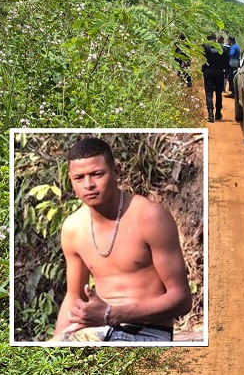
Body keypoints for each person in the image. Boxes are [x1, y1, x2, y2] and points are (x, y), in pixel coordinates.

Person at [52, 137, 192, 342]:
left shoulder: (150, 217)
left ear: (116, 171)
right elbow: (74, 298)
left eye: (97, 174)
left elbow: (181, 299)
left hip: (146, 332)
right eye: (79, 178)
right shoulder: (73, 228)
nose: (88, 184)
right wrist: (54, 346)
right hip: (95, 331)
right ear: (70, 179)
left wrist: (113, 314)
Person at [202, 32, 226, 122]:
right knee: (219, 93)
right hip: (219, 72)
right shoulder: (222, 48)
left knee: (209, 93)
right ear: (215, 38)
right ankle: (218, 113)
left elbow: (202, 58)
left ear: (207, 38)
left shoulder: (205, 47)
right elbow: (226, 61)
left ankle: (210, 113)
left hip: (208, 71)